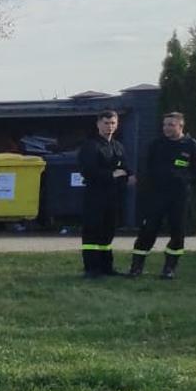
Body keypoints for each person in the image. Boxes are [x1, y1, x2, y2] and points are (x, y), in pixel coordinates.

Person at [128, 112, 196, 279]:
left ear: (180, 126)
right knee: (148, 230)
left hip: (179, 197)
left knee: (177, 231)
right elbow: (145, 166)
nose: (166, 128)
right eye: (164, 125)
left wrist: (183, 181)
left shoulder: (193, 146)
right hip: (156, 195)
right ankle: (136, 267)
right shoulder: (156, 144)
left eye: (171, 125)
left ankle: (169, 268)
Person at [76, 110, 131, 278]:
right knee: (93, 231)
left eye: (113, 123)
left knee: (108, 232)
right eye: (106, 123)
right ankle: (91, 269)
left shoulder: (118, 146)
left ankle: (107, 267)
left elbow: (125, 168)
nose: (110, 127)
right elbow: (88, 171)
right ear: (98, 124)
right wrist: (111, 174)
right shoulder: (91, 146)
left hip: (113, 196)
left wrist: (130, 174)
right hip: (95, 195)